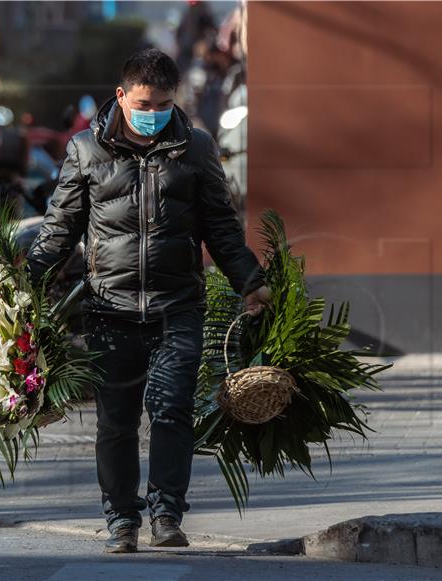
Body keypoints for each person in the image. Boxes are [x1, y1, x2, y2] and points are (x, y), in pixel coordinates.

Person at [26, 48, 270, 553]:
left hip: (177, 305)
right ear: (122, 96)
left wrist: (251, 282)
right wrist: (22, 285)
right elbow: (59, 228)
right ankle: (120, 518)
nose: (153, 112)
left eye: (162, 103)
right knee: (115, 421)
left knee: (171, 410)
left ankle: (166, 514)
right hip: (108, 310)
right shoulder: (84, 150)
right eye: (143, 102)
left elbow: (222, 229)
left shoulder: (196, 149)